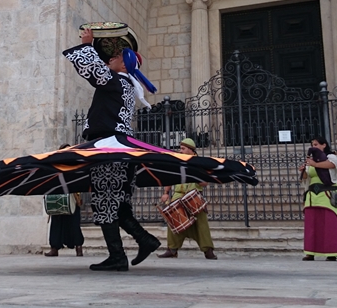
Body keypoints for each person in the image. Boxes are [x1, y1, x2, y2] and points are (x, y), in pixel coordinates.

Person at [62, 27, 161, 271]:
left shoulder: (116, 81)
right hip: (121, 151)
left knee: (105, 202)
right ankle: (144, 239)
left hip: (109, 150)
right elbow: (101, 68)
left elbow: (94, 71)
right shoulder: (125, 85)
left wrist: (86, 44)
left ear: (125, 65)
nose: (109, 61)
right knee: (119, 204)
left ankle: (118, 256)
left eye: (114, 58)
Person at [157, 138, 217, 260]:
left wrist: (198, 176)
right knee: (174, 219)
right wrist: (166, 192)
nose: (181, 150)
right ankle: (172, 249)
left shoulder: (199, 163)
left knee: (202, 223)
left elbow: (205, 183)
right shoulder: (178, 162)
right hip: (178, 194)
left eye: (183, 148)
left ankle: (208, 250)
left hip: (194, 195)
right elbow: (170, 178)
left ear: (190, 149)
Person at [299, 137, 337, 261]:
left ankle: (332, 252)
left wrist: (315, 164)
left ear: (324, 145)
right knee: (312, 226)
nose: (314, 146)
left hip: (327, 195)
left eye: (316, 144)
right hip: (313, 197)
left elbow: (331, 165)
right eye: (312, 144)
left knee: (330, 225)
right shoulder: (311, 161)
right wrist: (303, 171)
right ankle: (310, 252)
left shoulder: (331, 157)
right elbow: (306, 178)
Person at [45, 144, 85, 257]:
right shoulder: (54, 166)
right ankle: (54, 248)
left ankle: (79, 248)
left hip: (72, 196)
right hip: (58, 196)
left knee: (74, 223)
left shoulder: (75, 165)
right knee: (56, 223)